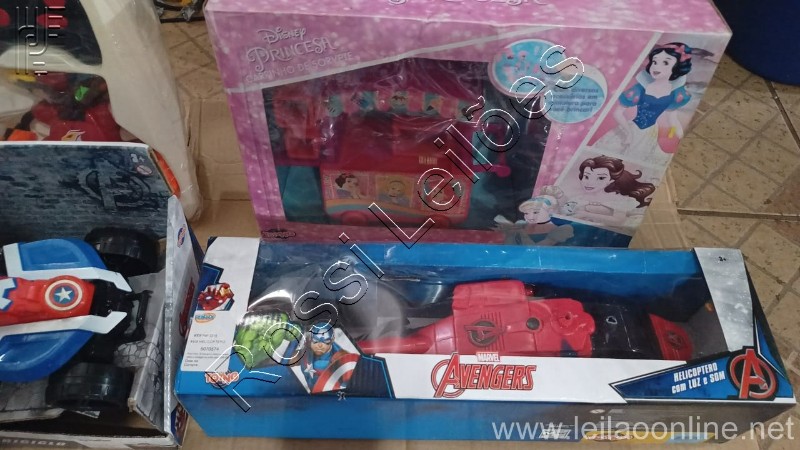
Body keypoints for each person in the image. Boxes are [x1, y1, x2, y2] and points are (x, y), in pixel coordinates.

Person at [594, 42, 693, 165]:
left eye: (665, 63)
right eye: (655, 62)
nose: (656, 67)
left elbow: (673, 119)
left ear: (677, 67)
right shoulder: (640, 89)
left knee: (634, 162)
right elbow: (617, 113)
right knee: (608, 158)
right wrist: (628, 133)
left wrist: (679, 136)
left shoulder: (675, 94)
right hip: (631, 128)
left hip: (650, 133)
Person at [564, 155, 655, 226]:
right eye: (586, 176)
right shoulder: (579, 197)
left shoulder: (618, 200)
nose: (589, 182)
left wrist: (586, 214)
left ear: (611, 180)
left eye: (600, 178)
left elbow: (619, 220)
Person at [494, 188, 574, 246]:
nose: (530, 217)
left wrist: (522, 234)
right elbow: (509, 250)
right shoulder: (522, 225)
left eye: (536, 212)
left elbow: (535, 251)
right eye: (526, 213)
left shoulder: (563, 229)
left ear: (550, 211)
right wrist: (510, 234)